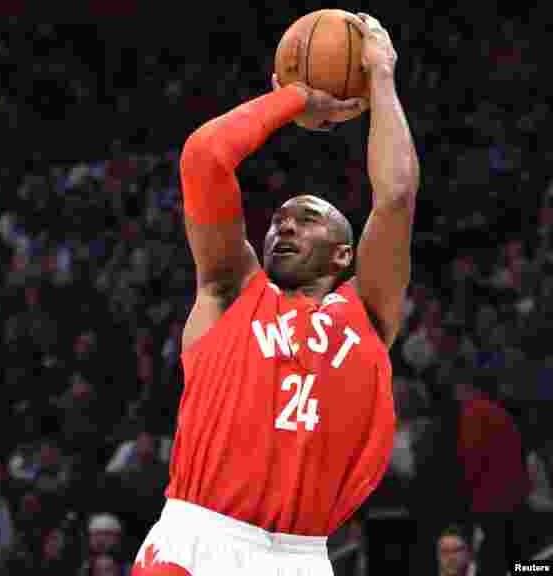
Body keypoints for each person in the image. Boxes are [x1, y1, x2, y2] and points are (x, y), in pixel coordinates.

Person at [132, 13, 418, 576]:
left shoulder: (368, 312)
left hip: (302, 556)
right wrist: (294, 100)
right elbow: (203, 158)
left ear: (345, 254)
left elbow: (397, 196)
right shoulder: (230, 288)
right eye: (278, 220)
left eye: (306, 219)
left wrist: (381, 76)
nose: (283, 226)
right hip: (197, 539)